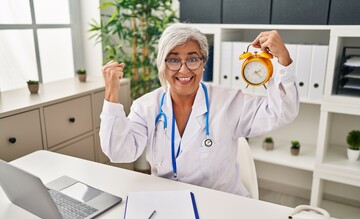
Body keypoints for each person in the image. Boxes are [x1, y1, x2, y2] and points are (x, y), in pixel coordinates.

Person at [100, 23, 299, 197]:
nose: (184, 69)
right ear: (162, 65)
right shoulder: (146, 107)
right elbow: (119, 152)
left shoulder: (229, 102)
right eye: (173, 59)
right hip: (167, 201)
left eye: (193, 59)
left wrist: (283, 59)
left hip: (221, 204)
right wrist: (111, 95)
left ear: (203, 63)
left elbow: (282, 111)